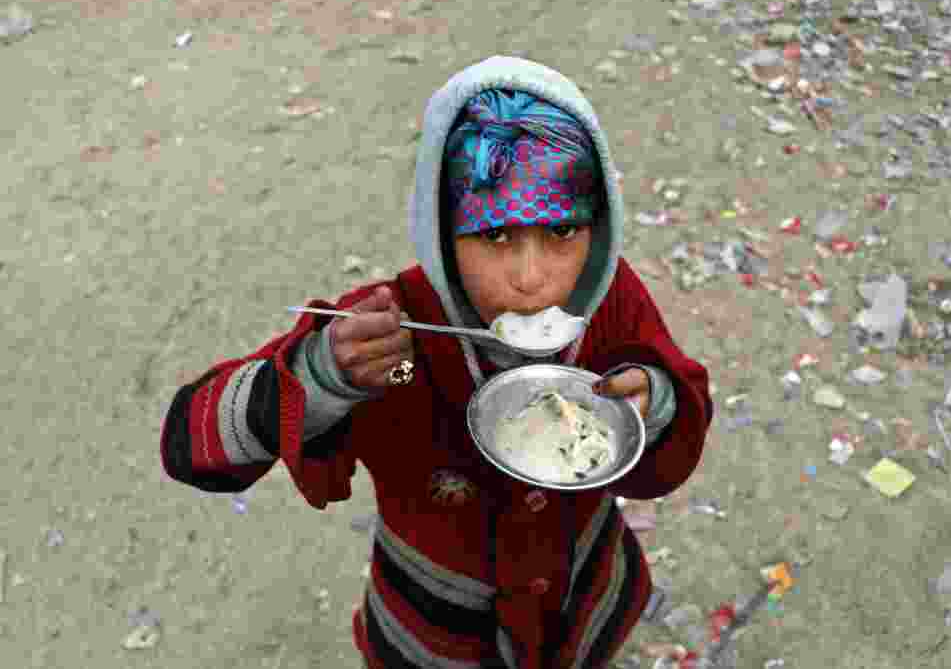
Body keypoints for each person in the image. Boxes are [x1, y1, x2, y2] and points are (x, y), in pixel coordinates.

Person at [160, 55, 713, 669]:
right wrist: (323, 377)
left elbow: (676, 417)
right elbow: (193, 447)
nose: (531, 280)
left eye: (562, 234)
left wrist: (649, 406)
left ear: (599, 229)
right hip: (434, 633)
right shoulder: (391, 348)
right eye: (494, 236)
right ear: (439, 231)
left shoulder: (608, 307)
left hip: (578, 601)